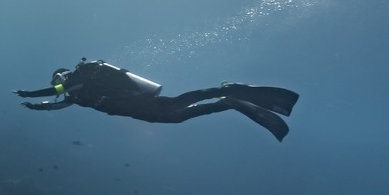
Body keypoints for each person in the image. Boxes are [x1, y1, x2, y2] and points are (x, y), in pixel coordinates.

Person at [15, 58, 299, 141]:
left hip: (133, 102)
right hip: (130, 111)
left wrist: (29, 93)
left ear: (64, 74)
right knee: (177, 117)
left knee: (176, 105)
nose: (58, 83)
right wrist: (35, 107)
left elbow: (56, 92)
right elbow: (59, 104)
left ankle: (224, 90)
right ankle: (225, 102)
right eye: (57, 80)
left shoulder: (80, 78)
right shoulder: (77, 96)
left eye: (58, 78)